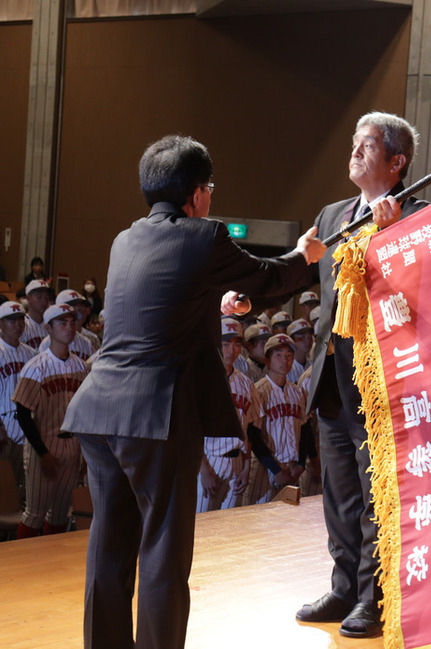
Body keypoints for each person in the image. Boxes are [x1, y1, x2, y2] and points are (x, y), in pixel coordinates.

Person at [60, 134, 325, 649]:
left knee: (110, 547)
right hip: (154, 414)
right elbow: (269, 279)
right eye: (210, 188)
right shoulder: (206, 236)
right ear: (197, 193)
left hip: (98, 409)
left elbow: (159, 305)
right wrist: (303, 254)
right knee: (162, 551)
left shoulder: (125, 239)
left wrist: (216, 304)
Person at [294, 111, 427, 638]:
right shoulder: (331, 215)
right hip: (330, 373)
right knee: (339, 492)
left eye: (367, 145)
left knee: (379, 495)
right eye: (353, 142)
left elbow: (425, 286)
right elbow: (297, 264)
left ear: (397, 162)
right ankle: (344, 586)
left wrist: (394, 236)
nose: (354, 151)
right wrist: (248, 296)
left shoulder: (417, 215)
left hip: (380, 378)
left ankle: (376, 596)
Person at [12, 304, 87, 538]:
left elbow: (85, 414)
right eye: (62, 323)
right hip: (44, 444)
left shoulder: (81, 367)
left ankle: (50, 566)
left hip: (72, 445)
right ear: (48, 328)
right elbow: (22, 415)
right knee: (35, 513)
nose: (69, 327)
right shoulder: (35, 367)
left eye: (72, 322)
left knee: (60, 514)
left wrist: (83, 451)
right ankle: (23, 564)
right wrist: (42, 452)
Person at [196, 318, 256, 513]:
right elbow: (191, 429)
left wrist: (246, 467)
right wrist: (204, 471)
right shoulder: (201, 378)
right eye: (225, 344)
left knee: (230, 530)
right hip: (209, 460)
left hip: (238, 462)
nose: (232, 350)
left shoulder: (246, 383)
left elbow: (249, 429)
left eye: (236, 344)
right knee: (202, 527)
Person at [0, 301, 36, 499]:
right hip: (2, 421)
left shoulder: (31, 353)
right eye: (11, 321)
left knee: (19, 486)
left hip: (26, 423)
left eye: (20, 320)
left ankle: (9, 530)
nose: (17, 325)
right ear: (0, 324)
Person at [243, 333, 308, 506]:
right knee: (258, 522)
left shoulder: (298, 392)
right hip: (264, 470)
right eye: (278, 355)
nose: (284, 360)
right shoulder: (258, 391)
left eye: (288, 355)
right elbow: (253, 436)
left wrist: (301, 463)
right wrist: (276, 469)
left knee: (287, 524)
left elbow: (305, 429)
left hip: (292, 468)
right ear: (267, 360)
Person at [21, 279, 51, 349]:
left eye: (46, 298)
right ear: (28, 298)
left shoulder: (52, 325)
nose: (44, 301)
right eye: (39, 297)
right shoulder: (20, 325)